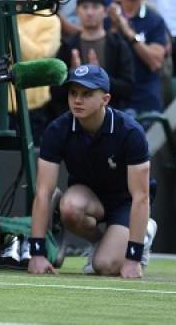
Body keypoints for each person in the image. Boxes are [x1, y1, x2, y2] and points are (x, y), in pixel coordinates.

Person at [27, 64, 156, 279]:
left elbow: (141, 197)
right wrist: (37, 254)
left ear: (105, 99)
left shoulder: (131, 132)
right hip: (87, 198)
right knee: (67, 207)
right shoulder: (57, 130)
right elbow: (43, 192)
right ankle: (103, 242)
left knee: (104, 266)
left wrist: (133, 258)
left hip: (125, 202)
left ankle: (144, 232)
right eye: (73, 93)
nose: (77, 100)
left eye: (87, 94)